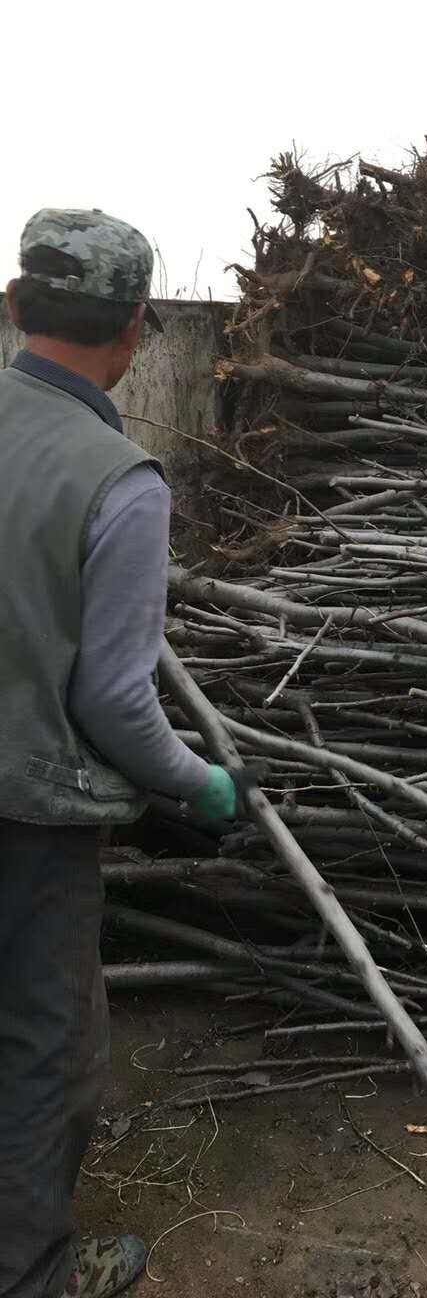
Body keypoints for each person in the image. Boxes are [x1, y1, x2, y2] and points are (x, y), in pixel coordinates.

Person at [0, 210, 239, 1298]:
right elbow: (112, 700)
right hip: (27, 820)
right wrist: (201, 782)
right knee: (45, 1052)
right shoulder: (120, 479)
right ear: (138, 328)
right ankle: (33, 1273)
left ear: (14, 305)